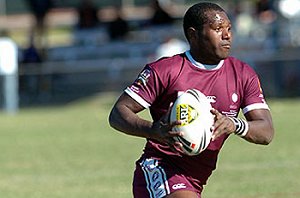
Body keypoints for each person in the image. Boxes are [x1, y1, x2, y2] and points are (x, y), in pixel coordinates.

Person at [109, 2, 274, 198]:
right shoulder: (166, 70)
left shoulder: (243, 74)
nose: (227, 35)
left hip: (196, 180)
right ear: (194, 35)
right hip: (160, 169)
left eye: (228, 28)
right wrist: (153, 130)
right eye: (217, 29)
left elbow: (266, 131)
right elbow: (118, 113)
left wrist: (234, 124)